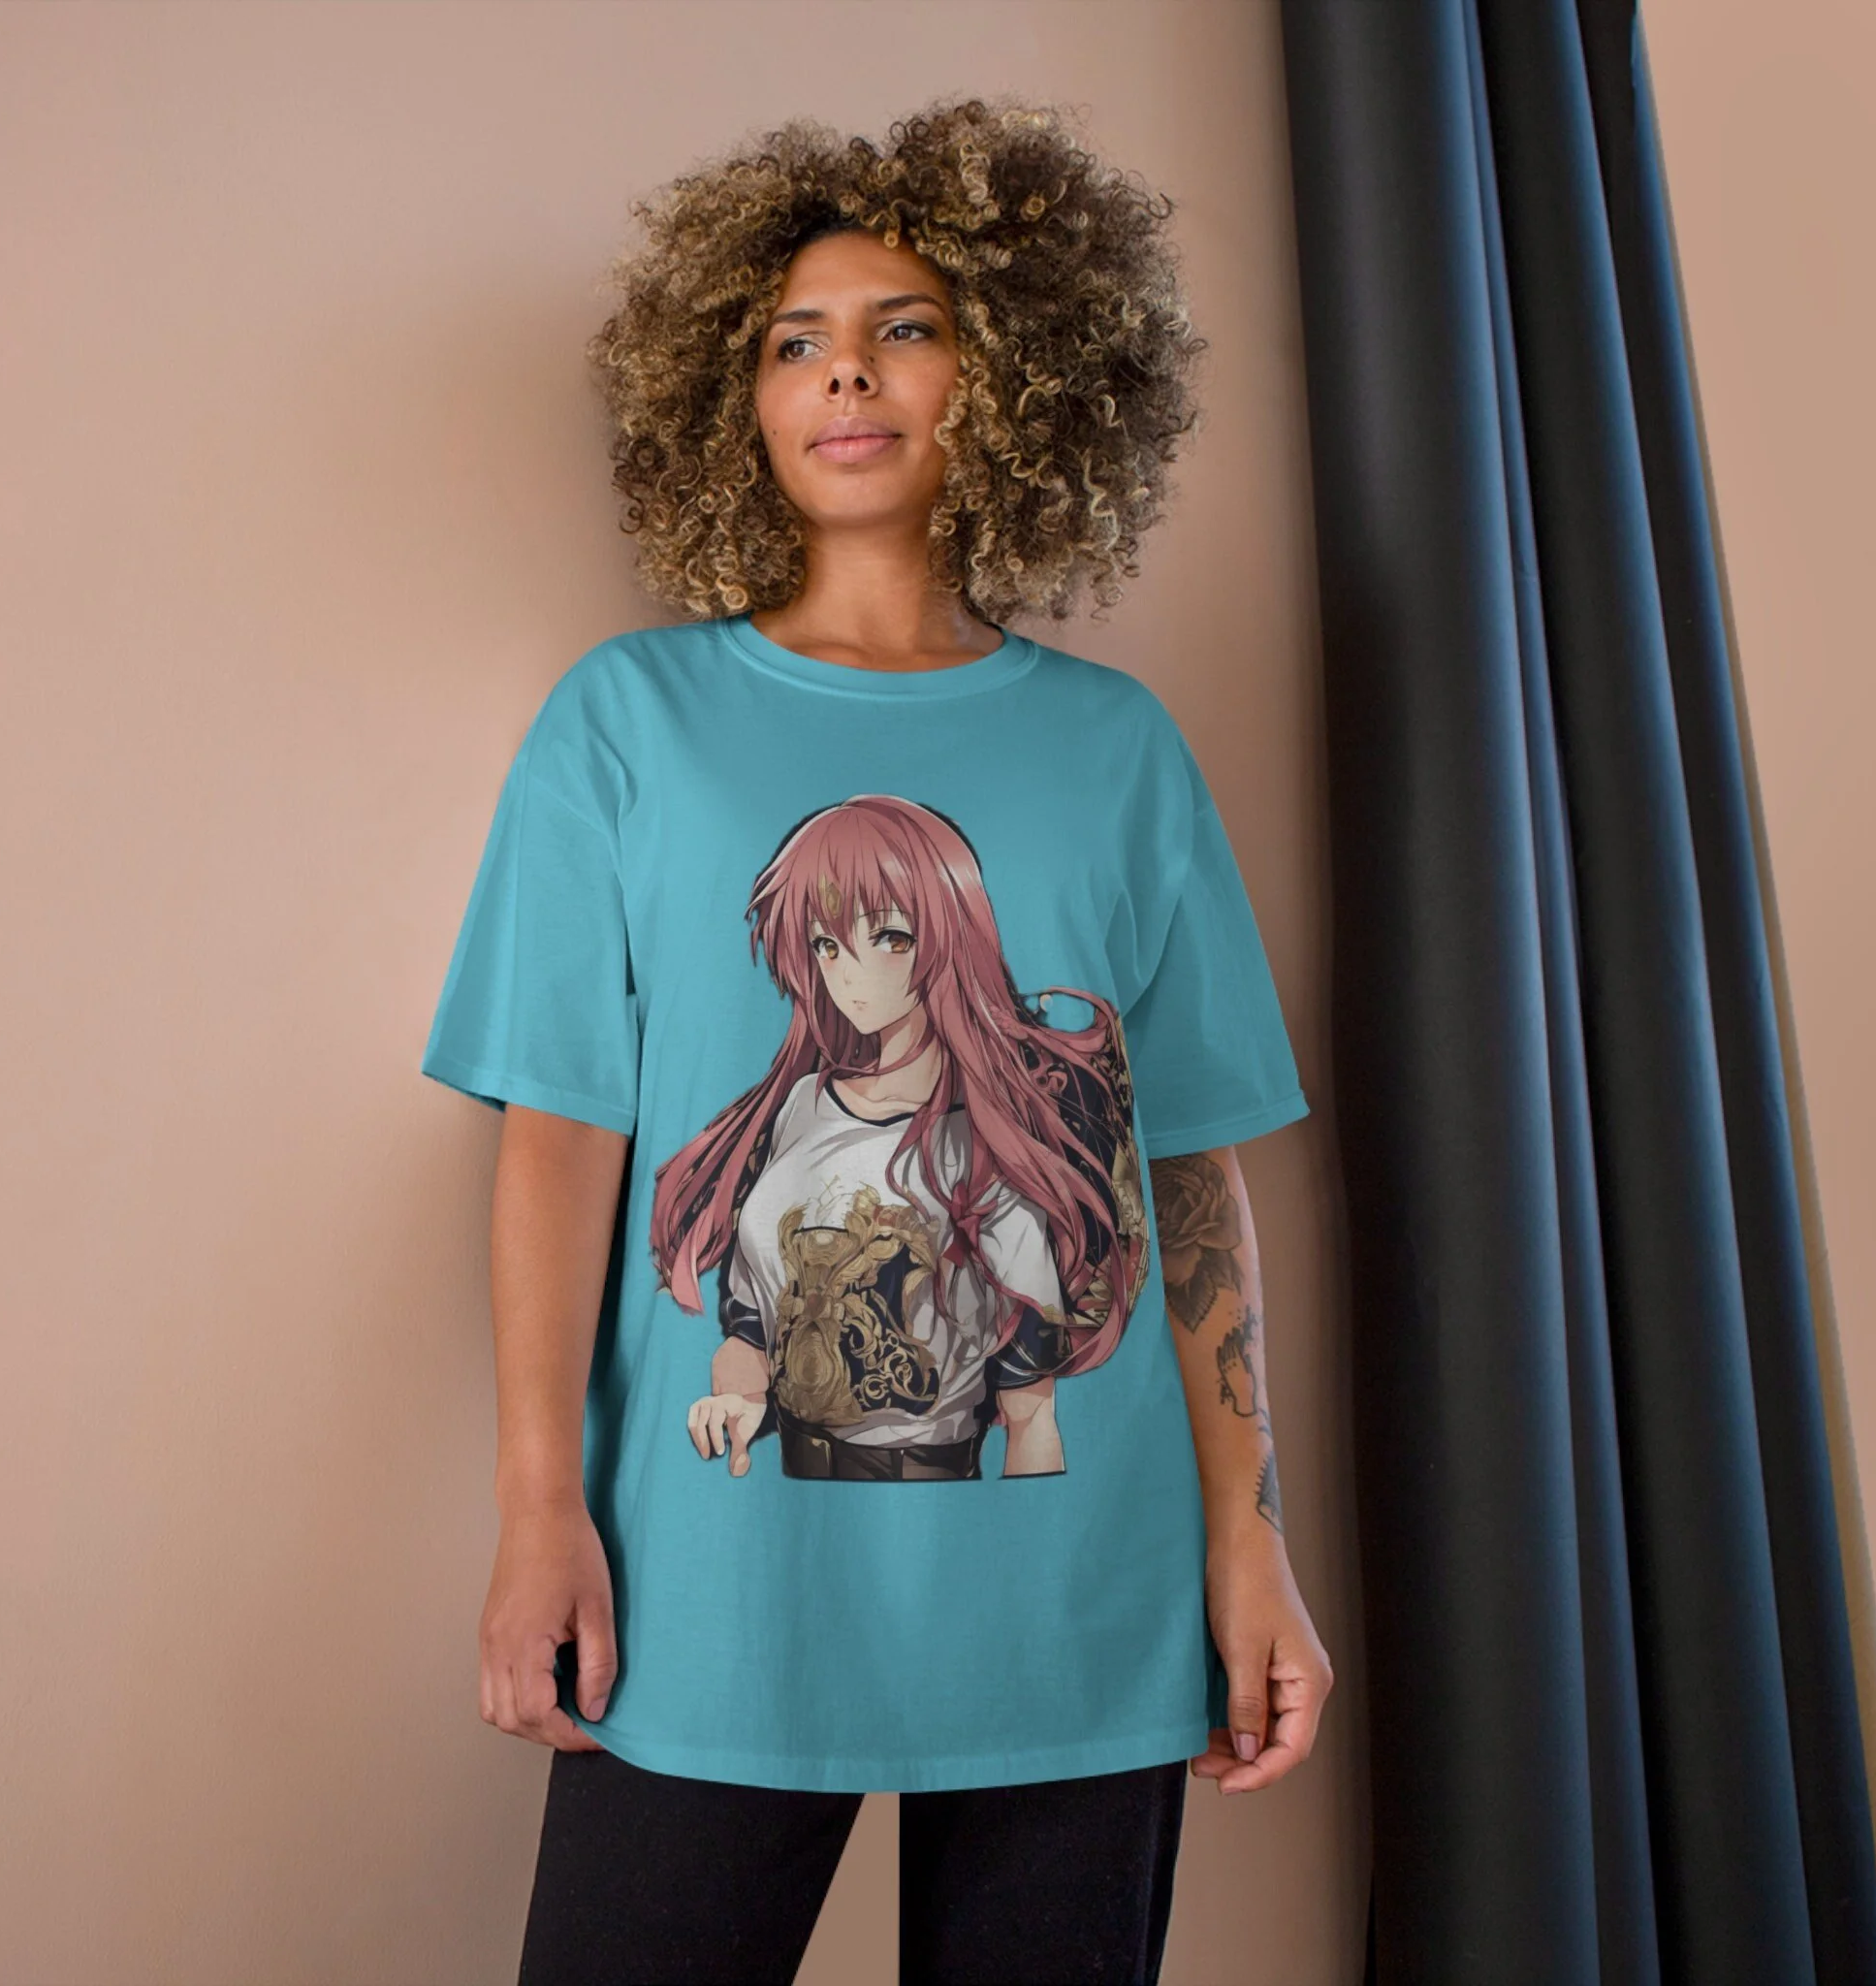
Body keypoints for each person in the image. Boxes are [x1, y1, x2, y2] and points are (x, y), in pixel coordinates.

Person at [421, 93, 1334, 1986]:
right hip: (711, 1591)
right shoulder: (628, 722)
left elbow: (1181, 1169)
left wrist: (1253, 1543)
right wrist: (536, 1505)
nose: (843, 373)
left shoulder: (1117, 747)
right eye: (793, 340)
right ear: (732, 399)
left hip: (1078, 1595)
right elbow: (561, 1135)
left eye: (902, 327)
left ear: (1012, 378)